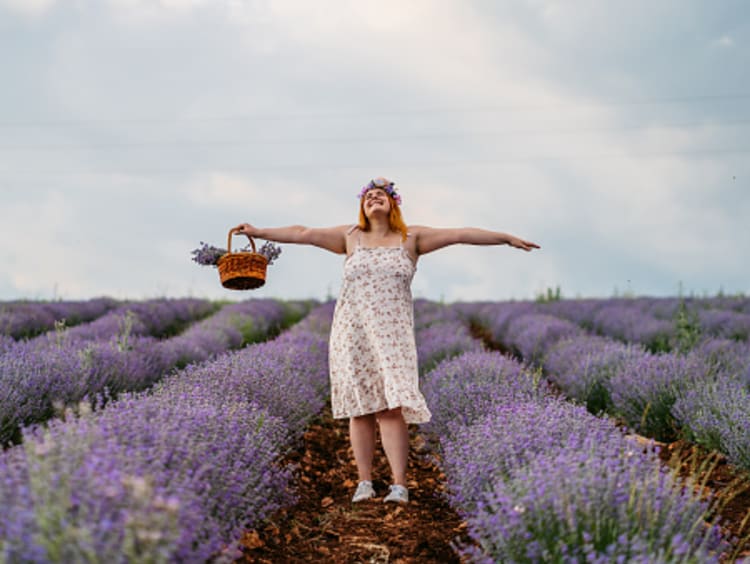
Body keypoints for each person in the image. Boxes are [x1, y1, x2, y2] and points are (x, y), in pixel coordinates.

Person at [233, 177, 540, 504]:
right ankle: (364, 483)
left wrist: (505, 238)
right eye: (367, 196)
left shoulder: (411, 237)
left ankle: (399, 485)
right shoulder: (350, 236)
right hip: (352, 332)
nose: (373, 198)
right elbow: (302, 232)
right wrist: (259, 232)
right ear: (362, 207)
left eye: (380, 195)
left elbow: (461, 234)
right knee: (360, 408)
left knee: (392, 408)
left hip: (393, 336)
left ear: (393, 203)